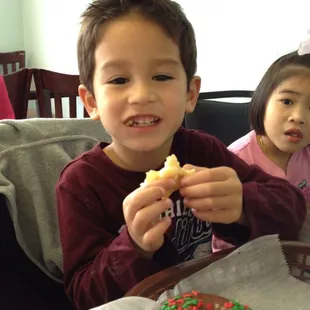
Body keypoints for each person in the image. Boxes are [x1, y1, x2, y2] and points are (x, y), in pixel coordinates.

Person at [55, 1, 307, 309]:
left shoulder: (203, 152)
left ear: (190, 93)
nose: (142, 95)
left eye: (161, 77)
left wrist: (243, 203)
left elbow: (291, 210)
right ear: (91, 101)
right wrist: (133, 246)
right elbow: (84, 296)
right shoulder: (80, 183)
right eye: (119, 80)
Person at [213, 40, 310, 253]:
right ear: (263, 101)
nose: (299, 117)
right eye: (287, 101)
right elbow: (223, 241)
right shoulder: (236, 161)